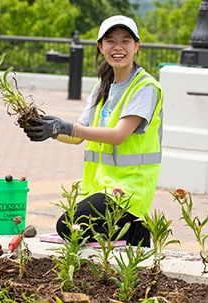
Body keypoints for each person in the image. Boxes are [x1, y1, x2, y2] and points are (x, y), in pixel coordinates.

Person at [24, 15, 163, 247]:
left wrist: (65, 127)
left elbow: (119, 134)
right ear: (100, 46)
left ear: (137, 46)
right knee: (71, 228)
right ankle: (129, 234)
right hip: (102, 190)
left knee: (66, 227)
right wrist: (49, 129)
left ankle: (133, 233)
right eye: (110, 41)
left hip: (129, 192)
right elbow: (78, 136)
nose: (118, 47)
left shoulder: (145, 88)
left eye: (126, 41)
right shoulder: (103, 87)